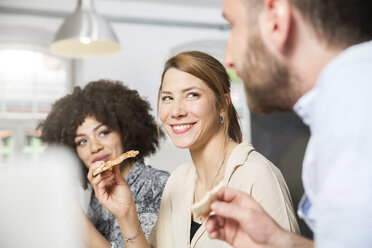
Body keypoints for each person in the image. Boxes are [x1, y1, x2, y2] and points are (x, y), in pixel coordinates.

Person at [88, 50, 299, 248]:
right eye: (167, 98)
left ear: (222, 105)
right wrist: (126, 214)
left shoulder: (257, 176)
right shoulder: (178, 181)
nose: (176, 111)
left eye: (192, 95)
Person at [205, 0, 372, 247]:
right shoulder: (344, 108)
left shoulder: (353, 120)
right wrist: (279, 241)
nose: (228, 59)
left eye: (233, 26)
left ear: (276, 19)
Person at [38, 80, 170, 248]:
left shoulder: (159, 184)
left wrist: (72, 212)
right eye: (82, 141)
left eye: (103, 133)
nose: (94, 147)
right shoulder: (99, 188)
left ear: (125, 131)